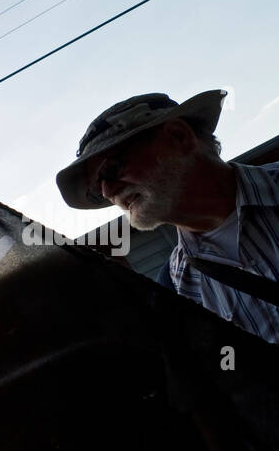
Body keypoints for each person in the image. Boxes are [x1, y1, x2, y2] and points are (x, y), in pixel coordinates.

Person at [56, 89, 279, 344]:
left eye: (111, 169)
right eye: (97, 189)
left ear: (179, 136)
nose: (108, 192)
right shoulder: (175, 286)